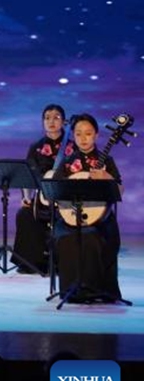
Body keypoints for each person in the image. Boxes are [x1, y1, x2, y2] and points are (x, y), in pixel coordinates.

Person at [53, 113, 123, 304]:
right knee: (66, 238)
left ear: (96, 135)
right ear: (73, 136)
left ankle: (94, 290)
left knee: (92, 236)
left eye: (88, 133)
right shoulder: (67, 162)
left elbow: (119, 191)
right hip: (70, 217)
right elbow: (54, 191)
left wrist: (107, 177)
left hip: (101, 220)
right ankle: (72, 290)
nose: (83, 138)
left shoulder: (106, 161)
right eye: (78, 134)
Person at [10, 104, 68, 275]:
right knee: (24, 214)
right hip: (43, 198)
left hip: (66, 199)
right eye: (47, 118)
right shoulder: (36, 147)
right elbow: (27, 175)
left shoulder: (72, 146)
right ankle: (30, 262)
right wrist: (26, 197)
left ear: (64, 122)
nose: (51, 121)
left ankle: (61, 262)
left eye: (56, 117)